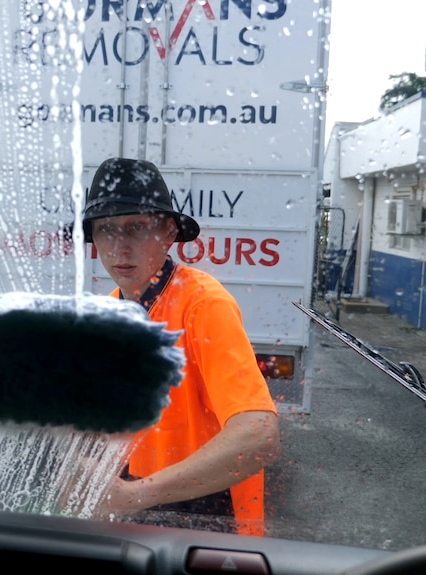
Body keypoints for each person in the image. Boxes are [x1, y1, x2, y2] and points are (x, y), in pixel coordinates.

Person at [82, 157, 280, 536]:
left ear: (169, 233)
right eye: (107, 229)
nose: (120, 246)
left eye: (137, 227)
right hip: (139, 513)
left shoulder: (203, 305)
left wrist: (133, 496)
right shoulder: (112, 312)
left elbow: (259, 437)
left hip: (206, 518)